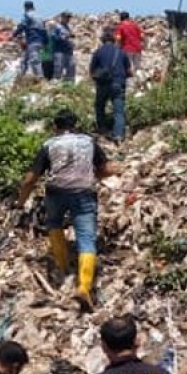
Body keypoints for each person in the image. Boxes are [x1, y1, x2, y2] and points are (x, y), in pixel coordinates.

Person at [16, 109, 120, 311]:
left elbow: (31, 178)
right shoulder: (89, 142)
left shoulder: (49, 145)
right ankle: (84, 287)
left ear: (56, 127)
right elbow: (105, 170)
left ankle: (63, 268)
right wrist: (97, 175)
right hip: (83, 193)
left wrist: (21, 201)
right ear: (75, 125)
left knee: (53, 224)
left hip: (56, 193)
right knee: (86, 239)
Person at [89, 28, 133, 141]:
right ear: (114, 40)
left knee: (99, 107)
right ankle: (118, 135)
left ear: (102, 40)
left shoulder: (98, 52)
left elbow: (92, 71)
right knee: (119, 111)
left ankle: (102, 129)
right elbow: (129, 71)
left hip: (102, 85)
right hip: (118, 84)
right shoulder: (121, 52)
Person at [12, 0, 50, 78]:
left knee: (34, 59)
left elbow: (22, 25)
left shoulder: (28, 15)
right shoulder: (40, 17)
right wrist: (46, 43)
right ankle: (21, 75)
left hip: (33, 41)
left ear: (25, 8)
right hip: (39, 42)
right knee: (25, 60)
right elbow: (44, 31)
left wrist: (14, 34)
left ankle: (40, 77)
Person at [50, 11, 76, 82]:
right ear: (62, 17)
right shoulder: (57, 26)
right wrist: (63, 37)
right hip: (59, 51)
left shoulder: (68, 27)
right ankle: (56, 83)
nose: (68, 19)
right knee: (58, 67)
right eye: (66, 17)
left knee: (71, 67)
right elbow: (53, 37)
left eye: (69, 17)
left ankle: (69, 83)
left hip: (68, 51)